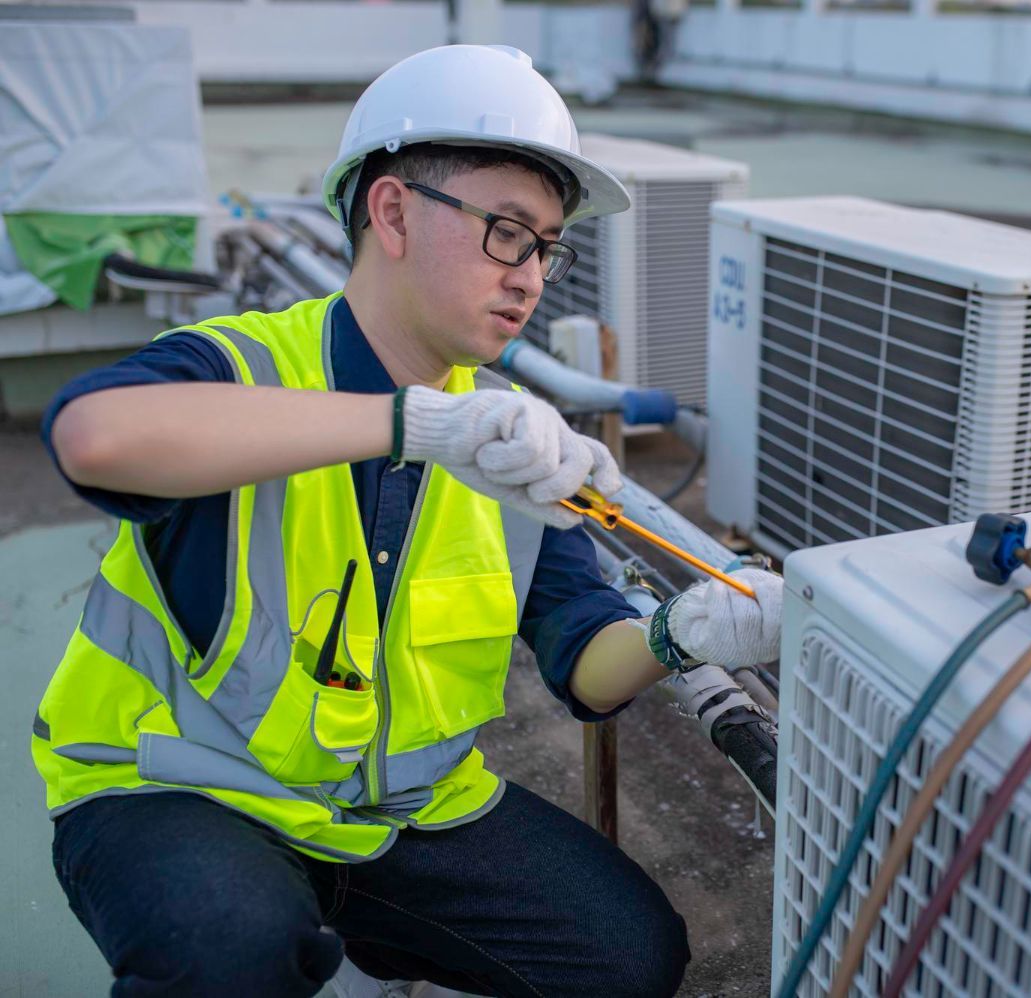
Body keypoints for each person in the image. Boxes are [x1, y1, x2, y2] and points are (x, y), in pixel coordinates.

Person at [32, 45, 782, 998]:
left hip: (398, 813)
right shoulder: (247, 366)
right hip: (182, 790)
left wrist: (681, 636)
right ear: (391, 212)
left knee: (628, 958)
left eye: (549, 246)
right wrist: (413, 423)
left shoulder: (508, 439)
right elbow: (93, 436)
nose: (532, 276)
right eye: (508, 232)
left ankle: (361, 927)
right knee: (222, 954)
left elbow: (584, 668)